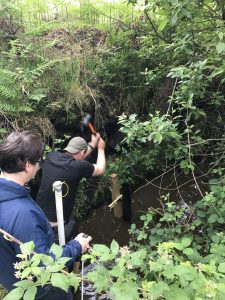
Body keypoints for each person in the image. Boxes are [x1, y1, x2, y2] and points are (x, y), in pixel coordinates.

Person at [0, 131, 92, 300]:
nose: (39, 166)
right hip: (42, 290)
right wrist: (76, 246)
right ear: (28, 165)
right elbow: (44, 264)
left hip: (13, 280)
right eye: (37, 162)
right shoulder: (23, 214)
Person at [36, 133, 106, 240]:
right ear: (82, 153)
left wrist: (92, 144)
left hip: (37, 220)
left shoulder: (51, 156)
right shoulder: (78, 167)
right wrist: (101, 148)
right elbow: (100, 169)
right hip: (56, 229)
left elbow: (77, 159)